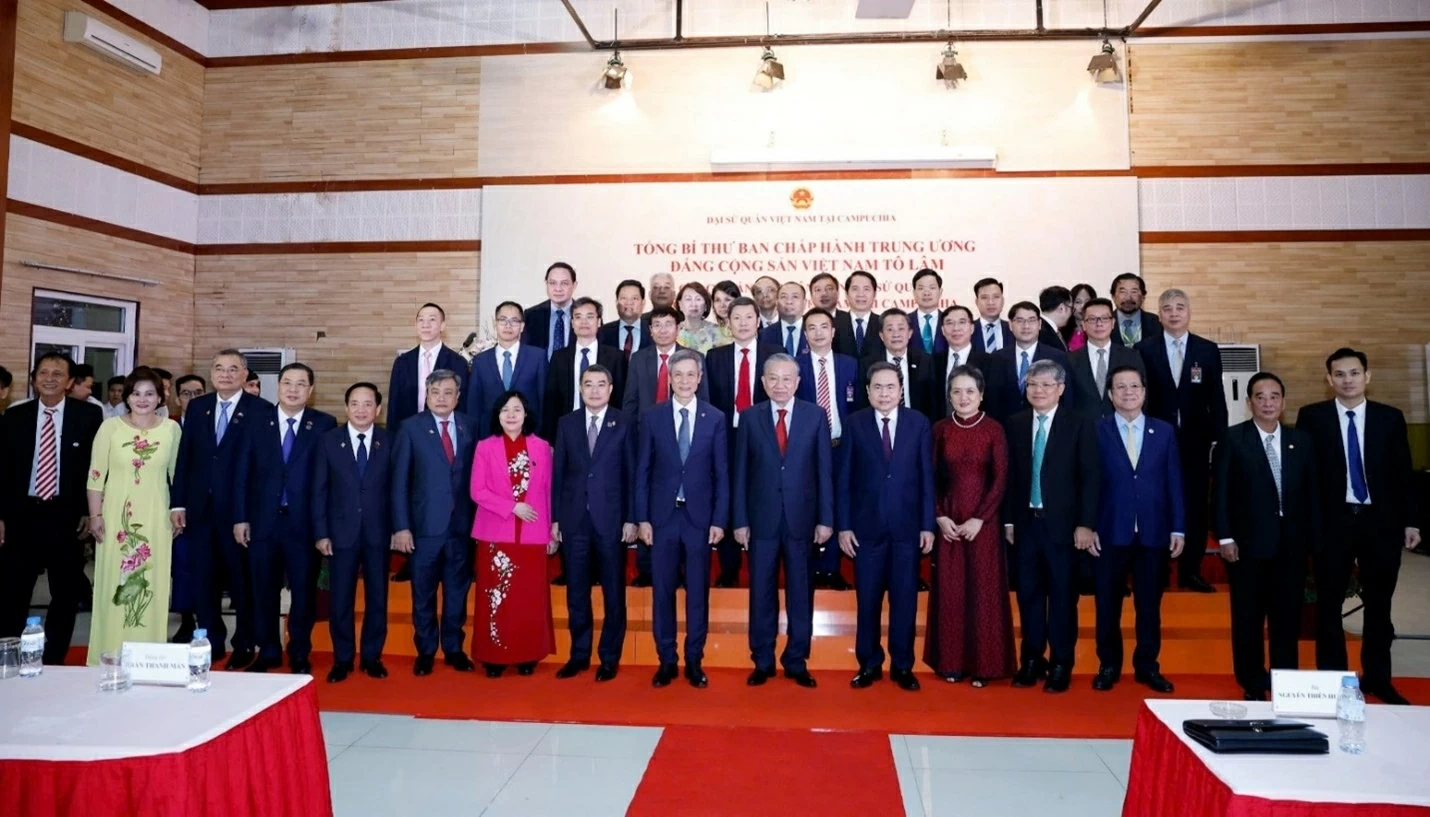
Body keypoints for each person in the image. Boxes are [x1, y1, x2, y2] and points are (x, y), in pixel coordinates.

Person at [1298, 348, 1420, 705]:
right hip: (1333, 525)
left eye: (1354, 373)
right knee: (1329, 606)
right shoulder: (1313, 417)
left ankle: (1378, 678)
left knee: (1380, 606)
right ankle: (1335, 683)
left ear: (1367, 376)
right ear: (1329, 379)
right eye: (1339, 374)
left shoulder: (1390, 418)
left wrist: (1412, 520)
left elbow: (1404, 473)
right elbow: (1306, 478)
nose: (1347, 380)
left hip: (1380, 524)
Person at [1212, 373, 1317, 701]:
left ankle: (1286, 682)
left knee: (1287, 616)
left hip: (1292, 545)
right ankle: (1252, 680)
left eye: (1274, 396)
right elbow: (1220, 494)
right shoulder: (1233, 438)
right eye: (1260, 396)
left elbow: (1313, 495)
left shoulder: (1301, 441)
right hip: (1247, 545)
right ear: (1249, 402)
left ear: (1283, 402)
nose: (1268, 402)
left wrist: (1313, 538)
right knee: (1248, 617)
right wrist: (1225, 537)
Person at [733, 355, 833, 688]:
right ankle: (762, 660)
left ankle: (796, 660)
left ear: (798, 382)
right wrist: (740, 521)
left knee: (801, 593)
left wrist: (826, 519)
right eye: (772, 379)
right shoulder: (748, 418)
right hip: (761, 520)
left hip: (802, 519)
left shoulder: (816, 416)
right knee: (760, 592)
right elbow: (741, 475)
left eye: (786, 379)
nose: (779, 385)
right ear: (762, 383)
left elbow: (824, 472)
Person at [232, 363, 337, 674]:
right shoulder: (254, 421)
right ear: (277, 387)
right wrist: (240, 518)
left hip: (303, 524)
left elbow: (328, 480)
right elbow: (242, 473)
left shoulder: (324, 424)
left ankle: (300, 651)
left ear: (311, 390)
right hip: (262, 522)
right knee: (263, 589)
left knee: (304, 592)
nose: (293, 389)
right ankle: (268, 650)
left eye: (301, 384)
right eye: (288, 383)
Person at [171, 349, 272, 668]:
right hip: (200, 510)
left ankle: (244, 642)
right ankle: (211, 640)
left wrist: (251, 512)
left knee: (242, 581)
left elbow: (263, 467)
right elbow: (185, 458)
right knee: (204, 580)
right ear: (211, 374)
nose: (225, 374)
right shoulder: (198, 407)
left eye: (233, 369)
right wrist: (178, 502)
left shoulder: (261, 410)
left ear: (245, 375)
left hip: (240, 513)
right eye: (219, 368)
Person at [1002, 360, 1098, 694]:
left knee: (1061, 597)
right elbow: (1011, 478)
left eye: (1045, 385)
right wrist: (1010, 520)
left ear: (1060, 388)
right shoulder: (1014, 424)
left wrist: (1086, 524)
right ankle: (1031, 659)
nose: (1038, 391)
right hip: (1026, 524)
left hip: (1065, 527)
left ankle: (1061, 662)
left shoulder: (1080, 424)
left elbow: (1090, 477)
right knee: (1028, 595)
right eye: (1032, 385)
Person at [0, 353, 103, 662]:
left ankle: (54, 658)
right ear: (33, 379)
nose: (49, 378)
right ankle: (9, 654)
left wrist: (90, 510)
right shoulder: (15, 417)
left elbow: (94, 468)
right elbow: (3, 471)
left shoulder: (88, 417)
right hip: (22, 516)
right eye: (43, 372)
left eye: (58, 374)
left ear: (70, 381)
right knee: (13, 592)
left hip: (67, 517)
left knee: (65, 593)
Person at [635, 350, 728, 689]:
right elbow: (642, 471)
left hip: (699, 520)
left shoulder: (714, 417)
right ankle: (666, 660)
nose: (685, 381)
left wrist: (719, 520)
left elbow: (722, 473)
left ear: (699, 378)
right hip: (661, 518)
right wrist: (642, 518)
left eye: (691, 375)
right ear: (669, 379)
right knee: (662, 591)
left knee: (697, 593)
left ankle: (694, 660)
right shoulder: (652, 417)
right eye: (679, 375)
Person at [839, 363, 934, 691]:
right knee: (868, 600)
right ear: (867, 392)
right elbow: (845, 479)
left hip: (907, 530)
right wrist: (844, 526)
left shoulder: (919, 423)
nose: (883, 393)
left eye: (890, 387)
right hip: (866, 530)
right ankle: (868, 663)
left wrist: (927, 525)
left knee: (905, 599)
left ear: (901, 390)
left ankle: (903, 665)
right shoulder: (855, 424)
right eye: (877, 387)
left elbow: (926, 478)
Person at [1090, 365, 1183, 694]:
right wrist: (1088, 526)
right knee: (1107, 605)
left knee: (1149, 606)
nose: (1128, 392)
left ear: (1144, 392)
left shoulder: (1165, 431)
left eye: (1134, 386)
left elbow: (1174, 482)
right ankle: (1108, 664)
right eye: (1120, 387)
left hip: (1153, 532)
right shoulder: (1097, 431)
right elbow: (1090, 484)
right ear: (1111, 394)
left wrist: (1179, 528)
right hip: (1109, 531)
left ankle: (1147, 666)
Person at [82, 367, 178, 664]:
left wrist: (178, 512)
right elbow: (96, 476)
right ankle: (108, 653)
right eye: (136, 393)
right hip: (115, 518)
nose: (143, 399)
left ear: (160, 397)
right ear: (126, 397)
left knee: (152, 581)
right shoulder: (110, 428)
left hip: (156, 517)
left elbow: (178, 476)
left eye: (150, 393)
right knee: (115, 581)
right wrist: (95, 515)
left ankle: (149, 657)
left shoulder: (171, 430)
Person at [925, 366, 1013, 687]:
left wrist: (981, 518)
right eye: (957, 392)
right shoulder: (940, 430)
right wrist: (939, 516)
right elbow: (929, 478)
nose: (963, 398)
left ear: (981, 394)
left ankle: (985, 666)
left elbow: (1001, 479)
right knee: (951, 592)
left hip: (983, 525)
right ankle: (951, 663)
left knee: (983, 593)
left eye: (970, 392)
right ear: (949, 396)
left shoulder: (993, 430)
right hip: (948, 522)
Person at [1136, 288, 1226, 593]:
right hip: (1155, 441)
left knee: (1196, 506)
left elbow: (1217, 398)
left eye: (1180, 308)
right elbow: (1139, 398)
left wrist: (1219, 439)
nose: (1174, 313)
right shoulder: (1143, 349)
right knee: (1156, 505)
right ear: (1158, 314)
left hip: (1196, 442)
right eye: (1167, 308)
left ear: (1189, 312)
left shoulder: (1207, 349)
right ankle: (1158, 570)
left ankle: (1191, 570)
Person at [391, 369, 478, 676]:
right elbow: (399, 481)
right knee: (423, 593)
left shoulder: (470, 426)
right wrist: (401, 526)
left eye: (448, 392)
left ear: (458, 396)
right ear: (426, 395)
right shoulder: (410, 428)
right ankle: (426, 650)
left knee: (457, 592)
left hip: (461, 528)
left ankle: (454, 648)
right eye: (435, 392)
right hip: (423, 528)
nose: (441, 398)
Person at [552, 365, 636, 682]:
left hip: (611, 520)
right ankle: (579, 655)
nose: (595, 390)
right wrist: (555, 519)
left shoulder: (624, 422)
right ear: (580, 388)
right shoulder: (567, 424)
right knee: (577, 593)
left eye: (601, 384)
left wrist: (631, 518)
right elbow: (558, 474)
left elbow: (632, 474)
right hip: (574, 521)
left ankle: (609, 657)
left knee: (613, 593)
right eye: (588, 385)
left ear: (611, 389)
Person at [469, 391, 556, 677]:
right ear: (497, 415)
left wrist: (551, 530)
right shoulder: (485, 447)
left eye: (517, 409)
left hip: (532, 534)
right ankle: (493, 656)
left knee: (527, 598)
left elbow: (547, 492)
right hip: (496, 533)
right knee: (496, 596)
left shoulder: (542, 447)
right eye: (505, 409)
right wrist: (512, 507)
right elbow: (477, 491)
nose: (511, 415)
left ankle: (527, 655)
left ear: (526, 414)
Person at [313, 382, 394, 683]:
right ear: (346, 408)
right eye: (355, 404)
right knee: (341, 600)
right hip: (339, 534)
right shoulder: (329, 441)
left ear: (378, 409)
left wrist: (397, 529)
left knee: (377, 598)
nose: (362, 409)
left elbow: (396, 490)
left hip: (378, 534)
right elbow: (319, 490)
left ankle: (372, 657)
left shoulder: (388, 441)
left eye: (368, 404)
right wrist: (321, 533)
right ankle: (343, 659)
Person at [706, 297, 781, 587]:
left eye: (749, 317)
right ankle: (729, 567)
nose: (743, 323)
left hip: (765, 437)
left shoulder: (775, 353)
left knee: (762, 496)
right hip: (727, 436)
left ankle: (765, 565)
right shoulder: (716, 356)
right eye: (736, 318)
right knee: (728, 495)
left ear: (758, 321)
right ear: (728, 322)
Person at [796, 307, 859, 590]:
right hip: (806, 450)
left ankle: (832, 568)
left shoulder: (851, 364)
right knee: (809, 505)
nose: (818, 332)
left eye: (824, 327)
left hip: (841, 445)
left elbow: (858, 407)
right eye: (812, 327)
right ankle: (809, 568)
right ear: (805, 333)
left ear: (833, 332)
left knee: (837, 503)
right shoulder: (794, 367)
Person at [542, 296, 624, 442]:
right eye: (578, 317)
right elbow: (551, 401)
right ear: (572, 323)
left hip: (607, 431)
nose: (584, 322)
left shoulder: (615, 357)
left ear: (599, 322)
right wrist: (550, 440)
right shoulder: (559, 357)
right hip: (568, 430)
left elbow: (620, 398)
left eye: (590, 317)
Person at [469, 301, 547, 441]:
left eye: (514, 321)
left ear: (522, 326)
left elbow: (543, 400)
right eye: (503, 320)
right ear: (495, 323)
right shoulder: (480, 361)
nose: (508, 325)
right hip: (490, 436)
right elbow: (474, 404)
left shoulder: (538, 357)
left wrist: (541, 436)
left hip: (528, 435)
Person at [168, 374, 208, 643]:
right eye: (186, 393)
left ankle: (205, 621)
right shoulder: (166, 427)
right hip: (171, 508)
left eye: (198, 393)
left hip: (205, 509)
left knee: (205, 568)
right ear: (176, 397)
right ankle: (185, 619)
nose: (192, 399)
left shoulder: (212, 425)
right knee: (180, 567)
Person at [985, 301, 1071, 424]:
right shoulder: (996, 358)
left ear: (1039, 324)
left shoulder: (1057, 357)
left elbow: (1066, 399)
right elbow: (991, 400)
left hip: (1045, 426)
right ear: (1010, 325)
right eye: (1020, 321)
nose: (1026, 326)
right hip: (1005, 429)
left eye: (1031, 320)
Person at [387, 303, 469, 431]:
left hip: (444, 433)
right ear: (415, 325)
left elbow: (463, 405)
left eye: (432, 319)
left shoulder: (458, 363)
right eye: (421, 320)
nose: (425, 325)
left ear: (442, 326)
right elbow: (394, 406)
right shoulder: (402, 362)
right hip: (409, 432)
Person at [622, 306, 709, 419]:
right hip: (645, 426)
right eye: (657, 325)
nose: (663, 330)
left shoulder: (694, 358)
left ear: (678, 329)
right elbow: (630, 402)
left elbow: (703, 398)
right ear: (650, 330)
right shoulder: (638, 359)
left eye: (668, 324)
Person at [1068, 298, 1145, 418]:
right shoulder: (1070, 360)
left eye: (1104, 318)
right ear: (1083, 325)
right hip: (1083, 429)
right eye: (1093, 319)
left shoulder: (1131, 356)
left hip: (1121, 426)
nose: (1099, 324)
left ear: (1113, 323)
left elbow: (1142, 394)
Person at [861, 307, 936, 420]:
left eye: (901, 329)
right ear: (881, 335)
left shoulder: (925, 361)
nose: (896, 334)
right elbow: (863, 402)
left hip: (916, 425)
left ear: (910, 333)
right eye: (890, 329)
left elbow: (933, 401)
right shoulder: (868, 364)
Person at [933, 306, 991, 420]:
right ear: (943, 330)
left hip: (978, 428)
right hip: (940, 430)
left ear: (972, 328)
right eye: (950, 323)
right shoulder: (932, 362)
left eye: (962, 322)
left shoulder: (989, 362)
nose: (956, 328)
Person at [523, 262, 578, 358]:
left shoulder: (587, 316)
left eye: (564, 283)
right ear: (546, 284)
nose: (558, 288)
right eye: (552, 283)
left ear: (574, 285)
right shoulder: (531, 315)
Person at [834, 270, 883, 360]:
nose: (861, 294)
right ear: (846, 294)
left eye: (866, 289)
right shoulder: (834, 324)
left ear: (875, 294)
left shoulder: (883, 324)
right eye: (855, 289)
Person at [598, 279, 651, 362]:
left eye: (634, 298)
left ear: (643, 303)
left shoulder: (653, 331)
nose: (629, 302)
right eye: (623, 298)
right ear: (616, 303)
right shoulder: (602, 332)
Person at [759, 282, 810, 356]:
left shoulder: (814, 331)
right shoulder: (764, 335)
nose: (789, 302)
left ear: (804, 302)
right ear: (776, 302)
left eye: (795, 297)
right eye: (784, 297)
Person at [1111, 273, 1162, 347]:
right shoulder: (1105, 322)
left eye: (1134, 292)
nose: (1128, 297)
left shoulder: (1155, 322)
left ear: (1143, 297)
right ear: (1113, 296)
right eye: (1123, 292)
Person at [904, 268, 947, 355]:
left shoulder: (948, 321)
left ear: (940, 292)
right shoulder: (904, 322)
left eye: (932, 288)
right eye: (921, 288)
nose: (926, 293)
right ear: (914, 293)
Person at [675, 282, 722, 354]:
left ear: (706, 306)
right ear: (680, 305)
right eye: (688, 299)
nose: (693, 304)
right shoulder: (673, 331)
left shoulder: (717, 332)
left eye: (698, 299)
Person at [971, 278, 1014, 354]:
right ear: (977, 302)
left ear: (1003, 300)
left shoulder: (1013, 329)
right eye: (984, 297)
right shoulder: (967, 331)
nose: (991, 302)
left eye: (996, 297)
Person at [1037, 286, 1072, 352]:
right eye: (1071, 308)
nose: (1071, 314)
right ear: (1061, 308)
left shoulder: (1042, 327)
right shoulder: (1043, 333)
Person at [709, 280, 741, 347]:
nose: (722, 305)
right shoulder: (710, 332)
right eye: (717, 300)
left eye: (727, 300)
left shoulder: (747, 328)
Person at [1067, 283, 1096, 352]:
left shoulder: (1099, 329)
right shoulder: (1061, 331)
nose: (1083, 306)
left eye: (1087, 302)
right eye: (1078, 302)